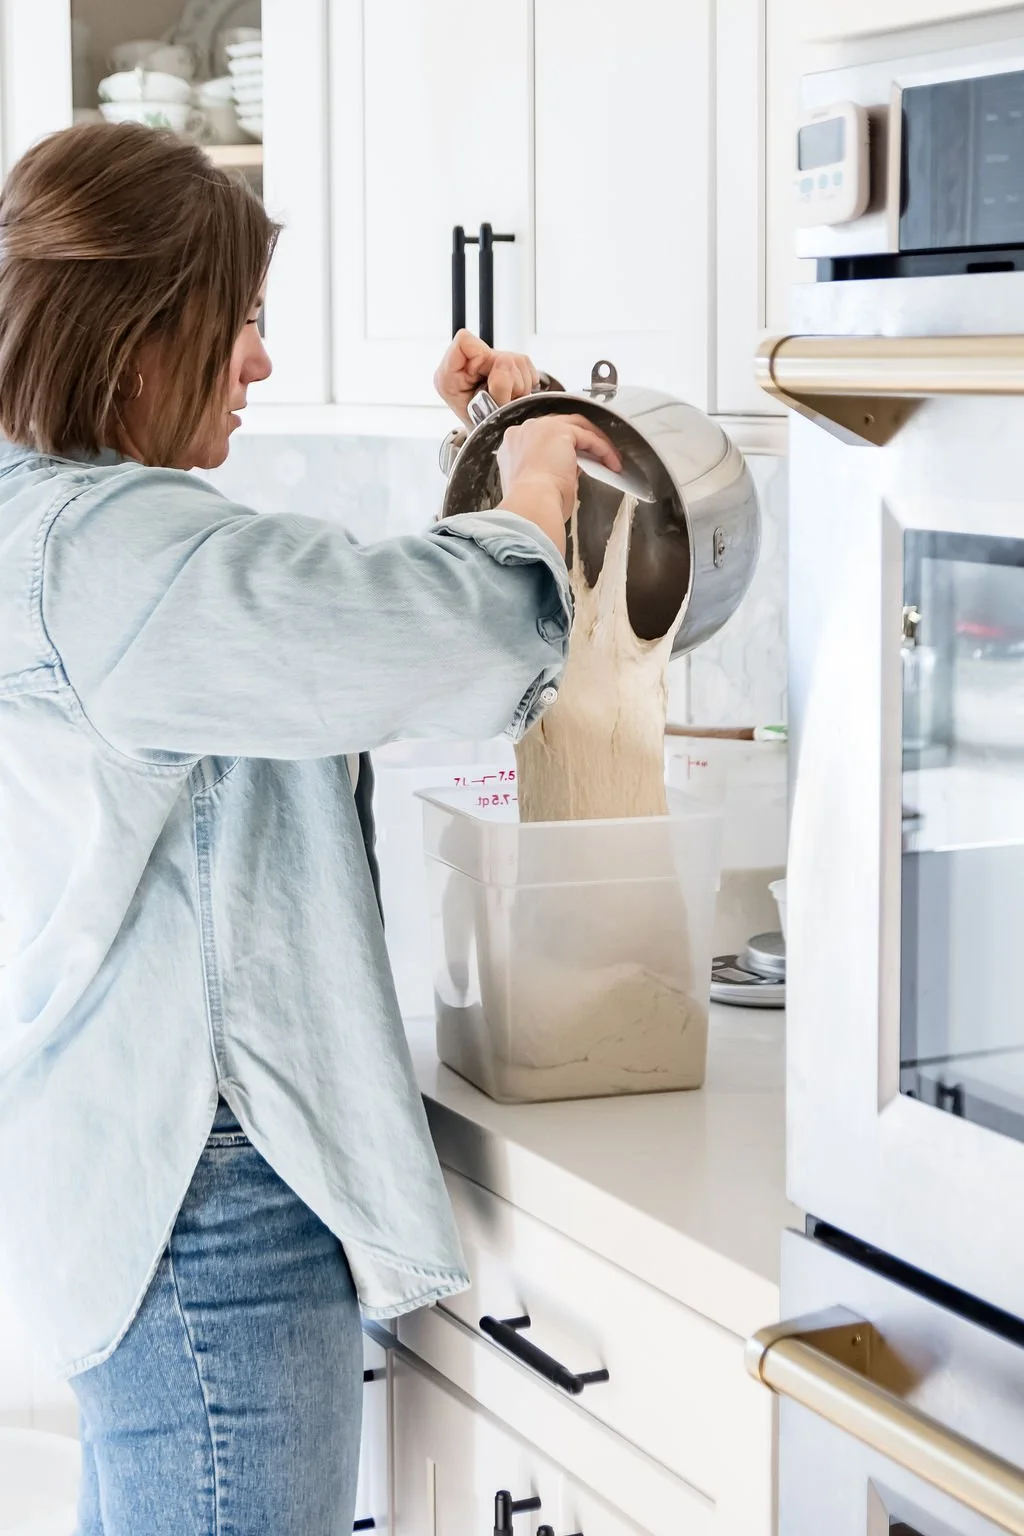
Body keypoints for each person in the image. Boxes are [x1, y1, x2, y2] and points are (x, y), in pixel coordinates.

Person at [0, 122, 621, 1536]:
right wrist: (524, 485)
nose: (261, 363)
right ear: (139, 342)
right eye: (240, 327)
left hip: (119, 1165)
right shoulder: (111, 559)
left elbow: (304, 641)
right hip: (203, 1193)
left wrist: (479, 458)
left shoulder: (52, 526)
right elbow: (441, 638)